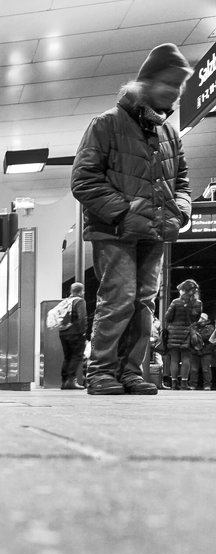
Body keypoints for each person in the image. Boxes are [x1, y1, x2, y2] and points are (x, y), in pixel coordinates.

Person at [71, 43, 192, 396]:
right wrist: (123, 210)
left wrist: (180, 212)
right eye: (167, 84)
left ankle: (130, 372)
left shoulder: (170, 134)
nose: (173, 93)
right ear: (145, 82)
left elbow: (182, 181)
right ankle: (101, 372)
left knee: (144, 302)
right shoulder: (106, 124)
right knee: (119, 297)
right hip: (115, 230)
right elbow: (83, 180)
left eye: (178, 88)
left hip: (155, 231)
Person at [163, 279, 203, 389]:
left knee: (174, 359)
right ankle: (184, 384)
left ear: (184, 290)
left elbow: (167, 318)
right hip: (187, 334)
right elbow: (196, 319)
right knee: (186, 359)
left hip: (174, 333)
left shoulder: (175, 302)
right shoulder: (198, 303)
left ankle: (174, 384)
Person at [57, 282, 89, 389]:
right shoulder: (79, 301)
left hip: (63, 332)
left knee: (67, 357)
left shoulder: (65, 302)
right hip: (75, 332)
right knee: (77, 356)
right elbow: (82, 318)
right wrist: (84, 332)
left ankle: (64, 381)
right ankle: (71, 380)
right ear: (80, 291)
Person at [191, 311, 214, 390]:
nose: (201, 319)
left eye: (203, 318)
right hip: (195, 351)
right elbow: (191, 337)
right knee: (194, 369)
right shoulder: (194, 326)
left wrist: (197, 336)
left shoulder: (210, 327)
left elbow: (209, 337)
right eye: (200, 318)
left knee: (206, 369)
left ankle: (207, 385)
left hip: (206, 351)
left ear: (206, 319)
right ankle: (192, 385)